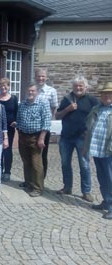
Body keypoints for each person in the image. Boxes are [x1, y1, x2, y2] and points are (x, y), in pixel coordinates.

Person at [56, 76, 98, 202]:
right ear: (73, 87)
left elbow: (98, 117)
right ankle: (67, 187)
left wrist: (90, 132)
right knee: (65, 163)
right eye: (76, 86)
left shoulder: (92, 100)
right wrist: (67, 109)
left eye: (81, 86)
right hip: (66, 137)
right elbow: (57, 116)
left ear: (86, 87)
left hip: (83, 138)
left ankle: (86, 191)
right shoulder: (67, 99)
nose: (78, 88)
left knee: (84, 165)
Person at [16, 83, 51, 197]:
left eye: (33, 91)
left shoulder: (43, 103)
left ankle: (38, 188)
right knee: (26, 162)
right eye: (29, 91)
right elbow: (19, 119)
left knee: (36, 164)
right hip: (23, 136)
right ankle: (28, 183)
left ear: (37, 92)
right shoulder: (22, 104)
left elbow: (46, 121)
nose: (30, 93)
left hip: (36, 137)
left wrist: (42, 138)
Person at [86, 82, 112, 219]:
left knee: (110, 178)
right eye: (104, 93)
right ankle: (106, 200)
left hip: (109, 151)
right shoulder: (97, 108)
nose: (106, 96)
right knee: (102, 177)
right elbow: (89, 125)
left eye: (109, 93)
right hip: (97, 149)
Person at [35, 68, 58, 179]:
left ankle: (41, 180)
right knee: (31, 154)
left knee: (43, 154)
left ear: (46, 77)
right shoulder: (32, 90)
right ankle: (31, 178)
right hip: (32, 128)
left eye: (43, 76)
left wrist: (47, 121)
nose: (41, 78)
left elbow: (53, 108)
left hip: (44, 128)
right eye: (39, 76)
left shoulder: (51, 91)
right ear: (35, 77)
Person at [0, 78, 18, 182]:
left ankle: (7, 171)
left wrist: (16, 121)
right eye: (1, 85)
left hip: (9, 128)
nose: (3, 87)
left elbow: (17, 112)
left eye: (6, 85)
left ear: (9, 87)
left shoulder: (13, 98)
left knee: (8, 149)